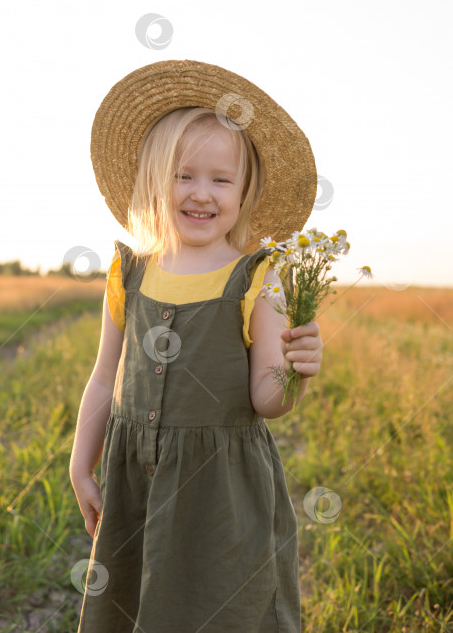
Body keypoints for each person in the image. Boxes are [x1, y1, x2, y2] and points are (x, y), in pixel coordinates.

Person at [70, 59, 323, 632]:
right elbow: (105, 375)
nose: (201, 193)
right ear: (156, 181)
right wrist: (80, 462)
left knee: (218, 606)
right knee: (133, 603)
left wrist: (293, 371)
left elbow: (266, 399)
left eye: (220, 179)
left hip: (221, 491)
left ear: (244, 189)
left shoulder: (257, 277)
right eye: (184, 175)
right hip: (136, 478)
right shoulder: (130, 271)